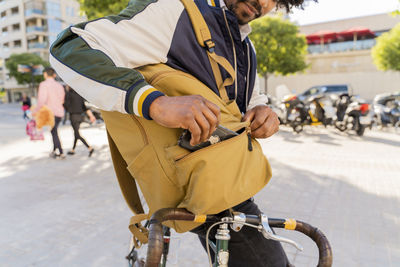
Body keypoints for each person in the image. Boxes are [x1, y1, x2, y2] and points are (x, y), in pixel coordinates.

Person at [50, 0, 315, 265]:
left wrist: (261, 110)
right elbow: (72, 48)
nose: (264, 3)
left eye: (279, 1)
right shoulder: (176, 10)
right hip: (195, 181)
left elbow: (248, 99)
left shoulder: (245, 45)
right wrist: (155, 103)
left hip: (222, 177)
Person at [33, 67, 66, 159]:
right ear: (54, 75)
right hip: (59, 113)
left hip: (50, 113)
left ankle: (61, 152)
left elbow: (41, 100)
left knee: (54, 132)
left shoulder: (44, 84)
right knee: (54, 131)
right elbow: (62, 100)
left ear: (45, 74)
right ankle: (54, 151)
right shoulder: (59, 85)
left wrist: (35, 111)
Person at [63, 85, 96, 157]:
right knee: (76, 133)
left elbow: (66, 106)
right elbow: (84, 107)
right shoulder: (79, 95)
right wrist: (91, 116)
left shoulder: (68, 94)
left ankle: (90, 148)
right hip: (80, 117)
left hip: (73, 117)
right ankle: (73, 150)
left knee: (77, 135)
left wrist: (63, 103)